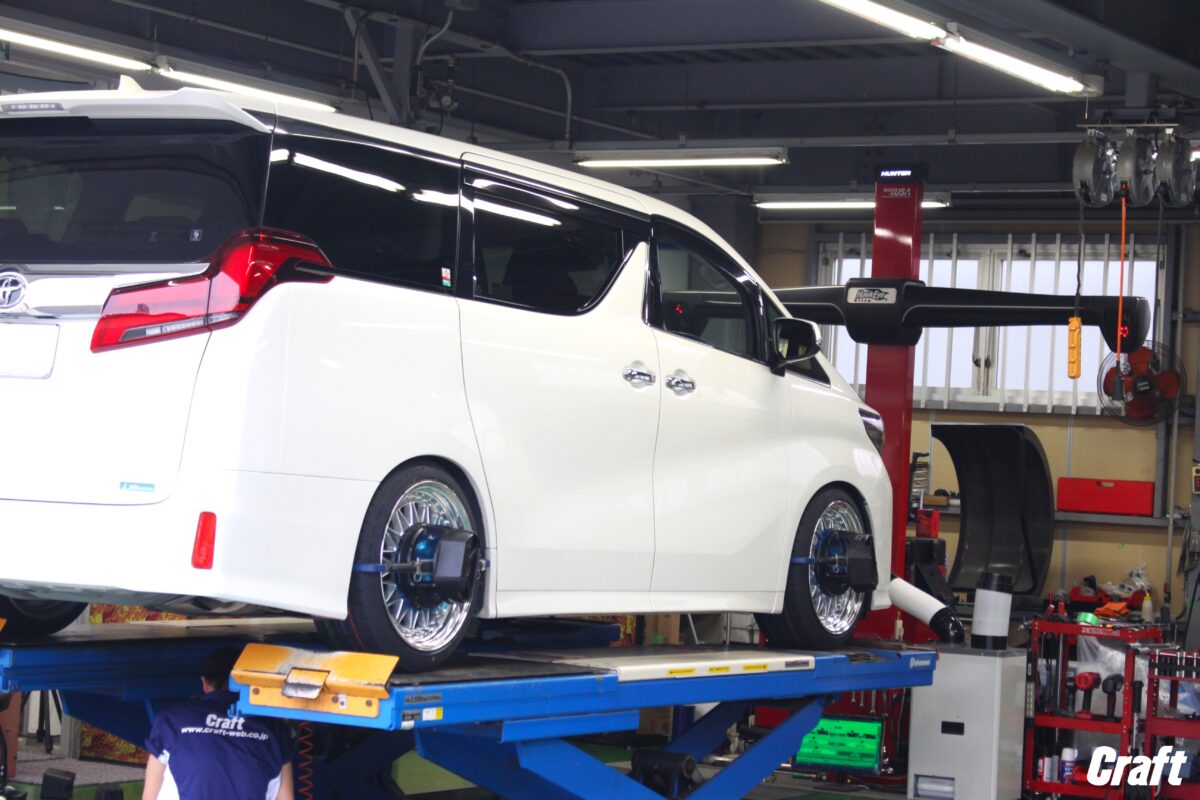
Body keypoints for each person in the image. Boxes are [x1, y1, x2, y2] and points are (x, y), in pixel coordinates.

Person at [143, 647, 295, 800]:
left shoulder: (171, 721)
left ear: (205, 683)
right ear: (251, 684)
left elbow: (149, 795)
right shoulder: (275, 729)